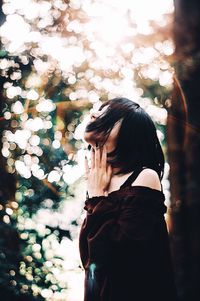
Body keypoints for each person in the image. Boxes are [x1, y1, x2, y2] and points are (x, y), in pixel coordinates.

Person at [78, 97, 178, 301]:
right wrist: (95, 195)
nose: (94, 114)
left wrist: (98, 198)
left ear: (128, 134)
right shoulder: (98, 179)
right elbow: (89, 260)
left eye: (107, 115)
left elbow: (118, 260)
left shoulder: (144, 177)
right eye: (98, 110)